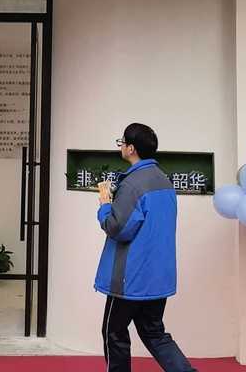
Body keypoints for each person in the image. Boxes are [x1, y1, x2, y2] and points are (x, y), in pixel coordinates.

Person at [95, 123, 196, 372]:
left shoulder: (133, 184)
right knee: (154, 333)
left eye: (122, 142)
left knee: (113, 332)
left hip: (130, 278)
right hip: (157, 276)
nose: (121, 146)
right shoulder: (164, 181)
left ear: (131, 148)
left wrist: (105, 205)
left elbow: (118, 228)